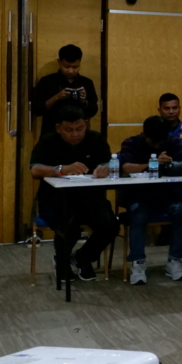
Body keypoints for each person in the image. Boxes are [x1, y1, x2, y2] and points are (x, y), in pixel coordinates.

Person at [29, 105, 117, 282]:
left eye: (80, 129)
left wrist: (106, 168)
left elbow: (108, 163)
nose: (75, 134)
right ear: (58, 128)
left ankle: (83, 257)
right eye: (69, 130)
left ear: (86, 124)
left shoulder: (96, 139)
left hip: (89, 197)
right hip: (55, 199)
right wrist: (61, 169)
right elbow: (35, 170)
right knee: (69, 226)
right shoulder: (48, 141)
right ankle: (61, 262)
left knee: (110, 226)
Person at [118, 116, 182, 285]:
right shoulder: (131, 143)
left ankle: (174, 261)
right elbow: (126, 167)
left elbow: (181, 166)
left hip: (167, 196)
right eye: (154, 142)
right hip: (139, 196)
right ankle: (137, 263)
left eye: (161, 142)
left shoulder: (173, 142)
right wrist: (153, 163)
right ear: (143, 134)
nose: (158, 146)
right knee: (138, 215)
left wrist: (170, 164)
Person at [32, 44, 98, 139]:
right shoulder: (47, 81)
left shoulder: (86, 83)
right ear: (59, 62)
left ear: (80, 62)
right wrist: (57, 97)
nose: (71, 71)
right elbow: (37, 110)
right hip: (51, 135)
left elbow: (93, 111)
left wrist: (84, 101)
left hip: (78, 136)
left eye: (75, 67)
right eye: (66, 67)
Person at [158, 93, 182, 160]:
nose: (171, 112)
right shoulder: (153, 130)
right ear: (159, 110)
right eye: (167, 108)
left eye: (174, 108)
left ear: (179, 109)